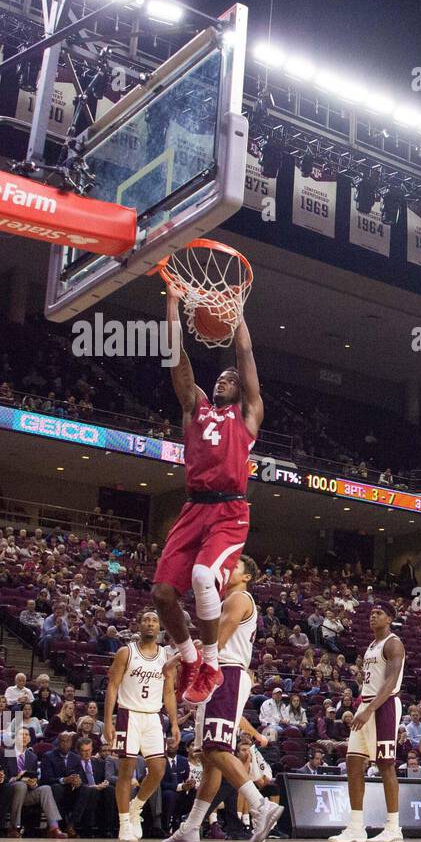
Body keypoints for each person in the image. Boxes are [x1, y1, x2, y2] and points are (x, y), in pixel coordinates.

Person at [150, 290, 263, 706]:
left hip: (229, 510)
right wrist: (172, 307)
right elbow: (176, 358)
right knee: (162, 593)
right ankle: (190, 657)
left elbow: (246, 354)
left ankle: (212, 664)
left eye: (230, 379)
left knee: (201, 578)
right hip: (193, 507)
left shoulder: (248, 414)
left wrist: (237, 318)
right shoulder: (193, 407)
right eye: (220, 378)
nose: (224, 380)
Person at [164, 555, 282, 842]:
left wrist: (188, 659)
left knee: (216, 750)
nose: (227, 569)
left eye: (235, 566)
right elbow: (212, 641)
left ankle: (259, 806)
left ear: (247, 577)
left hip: (225, 674)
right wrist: (184, 655)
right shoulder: (230, 601)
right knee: (209, 758)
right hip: (223, 673)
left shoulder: (239, 597)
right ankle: (191, 827)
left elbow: (218, 641)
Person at [329, 604, 406, 842]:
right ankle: (356, 826)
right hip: (367, 704)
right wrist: (363, 707)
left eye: (379, 613)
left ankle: (394, 827)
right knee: (353, 761)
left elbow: (392, 681)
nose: (373, 616)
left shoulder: (393, 643)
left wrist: (370, 709)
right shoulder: (371, 645)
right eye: (371, 614)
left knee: (385, 764)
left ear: (390, 618)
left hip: (384, 706)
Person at [103, 609, 176, 842]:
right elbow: (112, 686)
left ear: (159, 627)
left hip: (154, 716)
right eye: (146, 620)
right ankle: (124, 824)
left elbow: (169, 692)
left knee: (158, 770)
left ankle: (137, 807)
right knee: (126, 770)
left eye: (155, 620)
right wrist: (107, 721)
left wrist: (174, 723)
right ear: (139, 625)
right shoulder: (126, 652)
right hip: (128, 714)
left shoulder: (166, 655)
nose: (150, 624)